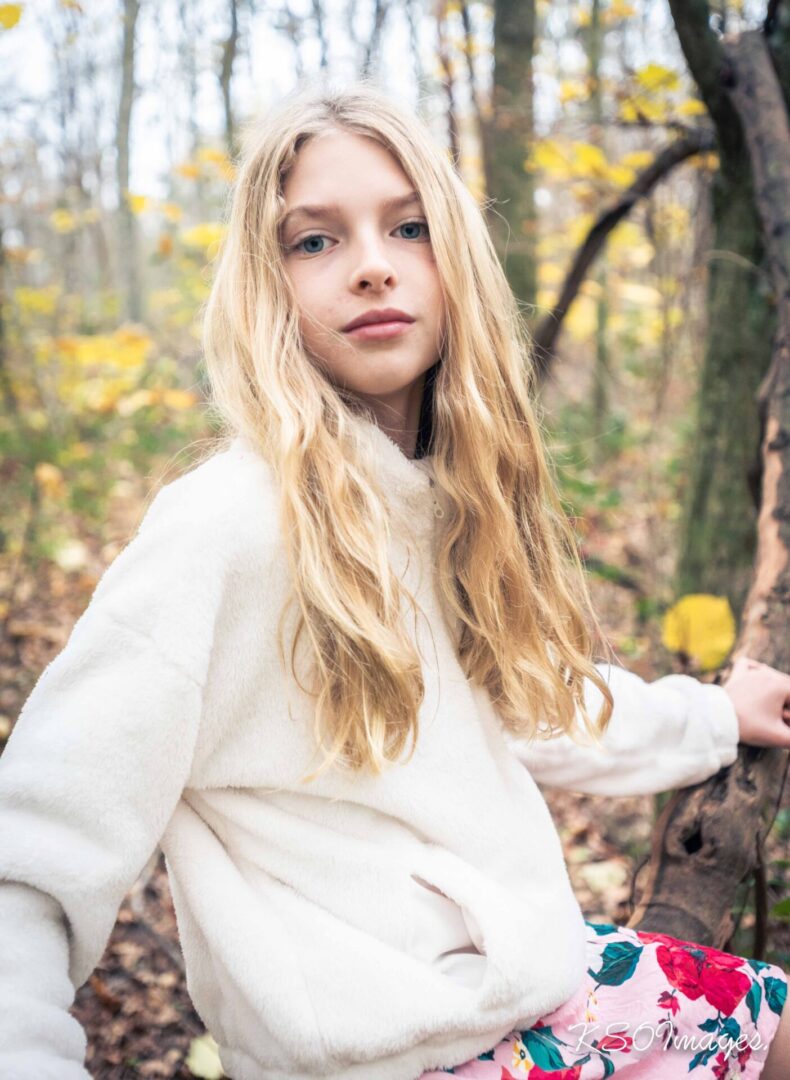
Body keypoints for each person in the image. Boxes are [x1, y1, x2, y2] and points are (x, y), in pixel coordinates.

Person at [1, 80, 789, 1080]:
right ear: (264, 283)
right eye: (314, 240)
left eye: (407, 227)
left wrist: (714, 720)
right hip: (396, 1057)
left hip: (546, 987)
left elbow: (533, 705)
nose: (371, 266)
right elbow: (31, 861)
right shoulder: (224, 528)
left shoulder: (443, 497)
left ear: (454, 257)